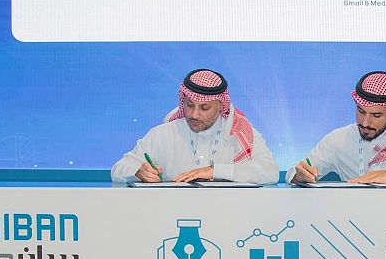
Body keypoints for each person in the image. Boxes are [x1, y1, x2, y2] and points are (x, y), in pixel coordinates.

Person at [111, 69, 279, 184]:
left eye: (204, 108)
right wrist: (138, 171)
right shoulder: (162, 134)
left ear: (221, 105)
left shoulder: (240, 134)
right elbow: (118, 169)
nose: (194, 114)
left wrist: (215, 171)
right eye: (189, 105)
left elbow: (270, 171)